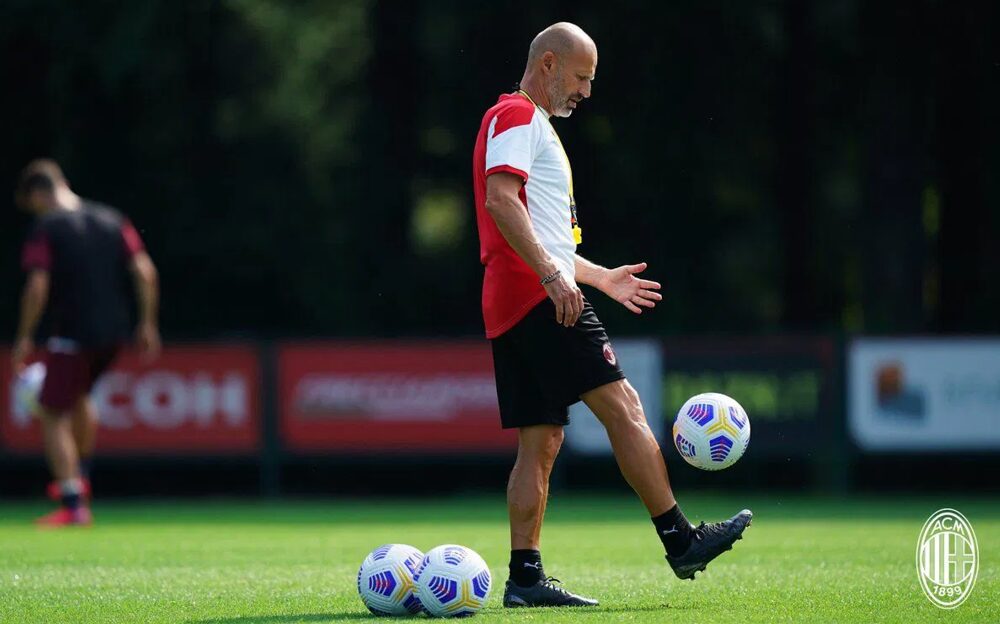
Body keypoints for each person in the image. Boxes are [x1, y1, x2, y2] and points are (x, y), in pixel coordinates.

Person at [472, 23, 752, 608]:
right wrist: (553, 278)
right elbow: (500, 200)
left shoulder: (524, 122)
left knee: (540, 440)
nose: (587, 91)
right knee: (623, 406)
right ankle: (681, 540)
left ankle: (525, 577)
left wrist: (597, 276)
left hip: (512, 299)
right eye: (581, 77)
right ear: (548, 64)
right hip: (537, 296)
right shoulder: (517, 115)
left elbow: (540, 231)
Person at [12, 159, 161, 527]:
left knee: (51, 413)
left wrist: (25, 335)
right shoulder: (112, 219)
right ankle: (81, 479)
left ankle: (72, 501)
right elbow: (145, 271)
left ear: (38, 193)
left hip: (72, 334)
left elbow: (37, 285)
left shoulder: (48, 226)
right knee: (80, 397)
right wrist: (147, 323)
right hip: (114, 334)